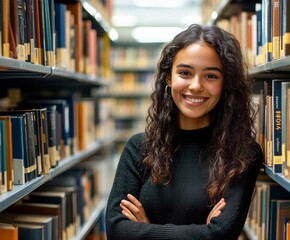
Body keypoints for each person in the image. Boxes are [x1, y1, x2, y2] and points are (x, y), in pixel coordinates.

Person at [105, 23, 264, 240]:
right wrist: (202, 233)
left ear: (225, 83)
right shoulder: (139, 148)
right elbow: (116, 230)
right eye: (185, 73)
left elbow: (221, 234)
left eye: (211, 76)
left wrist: (146, 231)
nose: (196, 86)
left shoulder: (241, 154)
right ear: (169, 78)